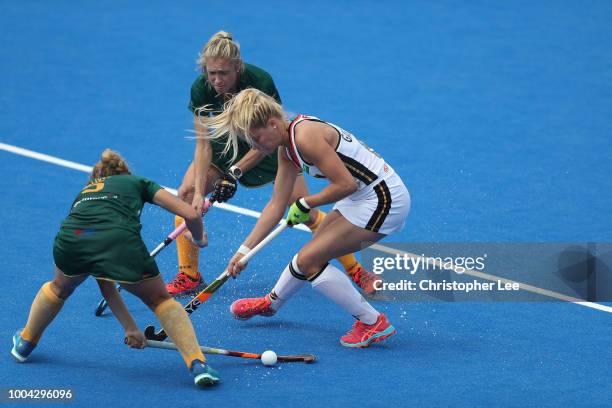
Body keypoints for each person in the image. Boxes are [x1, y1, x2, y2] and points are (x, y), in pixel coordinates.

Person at [168, 30, 380, 297]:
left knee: (304, 209)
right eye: (211, 74)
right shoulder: (201, 89)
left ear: (238, 68)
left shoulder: (259, 81)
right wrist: (200, 192)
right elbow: (203, 144)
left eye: (223, 73)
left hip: (263, 149)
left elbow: (272, 136)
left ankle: (356, 271)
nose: (217, 80)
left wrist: (233, 174)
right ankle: (189, 275)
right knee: (186, 194)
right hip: (225, 149)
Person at [200, 89, 411, 347]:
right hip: (363, 196)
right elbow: (276, 204)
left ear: (273, 123)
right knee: (309, 254)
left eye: (256, 139)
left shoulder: (305, 136)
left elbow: (345, 184)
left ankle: (372, 322)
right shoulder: (286, 148)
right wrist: (244, 251)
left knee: (310, 259)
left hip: (383, 199)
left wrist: (306, 202)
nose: (255, 148)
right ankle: (271, 303)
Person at [10, 149, 219, 387]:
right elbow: (190, 213)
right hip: (118, 241)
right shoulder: (137, 182)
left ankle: (26, 342)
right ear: (125, 172)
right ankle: (197, 365)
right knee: (160, 300)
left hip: (72, 238)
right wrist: (199, 238)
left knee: (59, 288)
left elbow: (103, 276)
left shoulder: (84, 193)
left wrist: (130, 328)